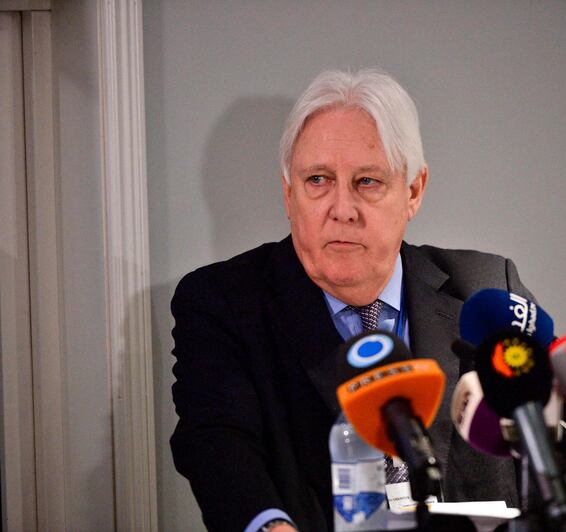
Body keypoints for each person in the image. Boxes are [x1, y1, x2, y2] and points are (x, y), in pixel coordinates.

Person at [170, 68, 536, 532]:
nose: (341, 209)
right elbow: (218, 443)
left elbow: (554, 431)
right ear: (288, 193)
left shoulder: (487, 291)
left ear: (414, 191)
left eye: (367, 181)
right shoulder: (223, 304)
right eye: (318, 180)